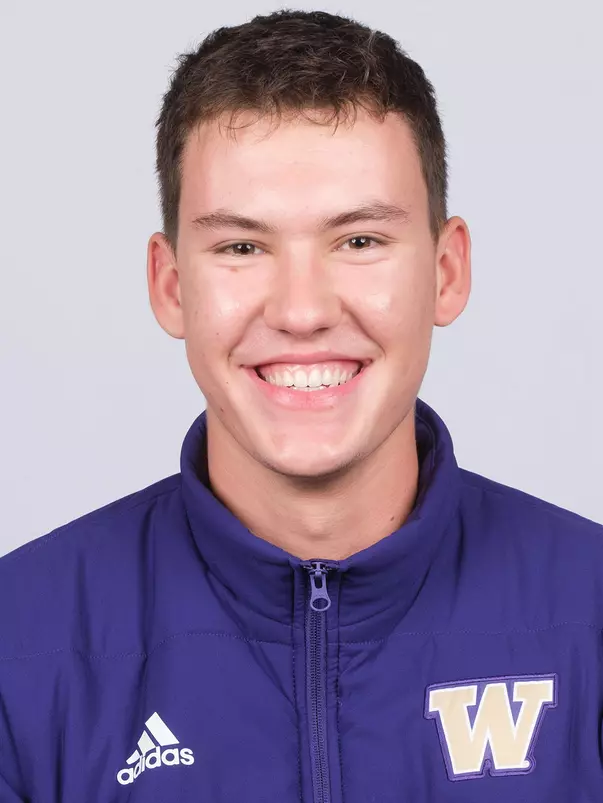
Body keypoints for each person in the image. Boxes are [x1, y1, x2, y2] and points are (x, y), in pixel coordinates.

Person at [0, 8, 601, 802]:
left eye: (359, 241)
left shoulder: (589, 613)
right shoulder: (19, 643)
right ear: (171, 286)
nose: (302, 310)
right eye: (241, 247)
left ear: (446, 271)